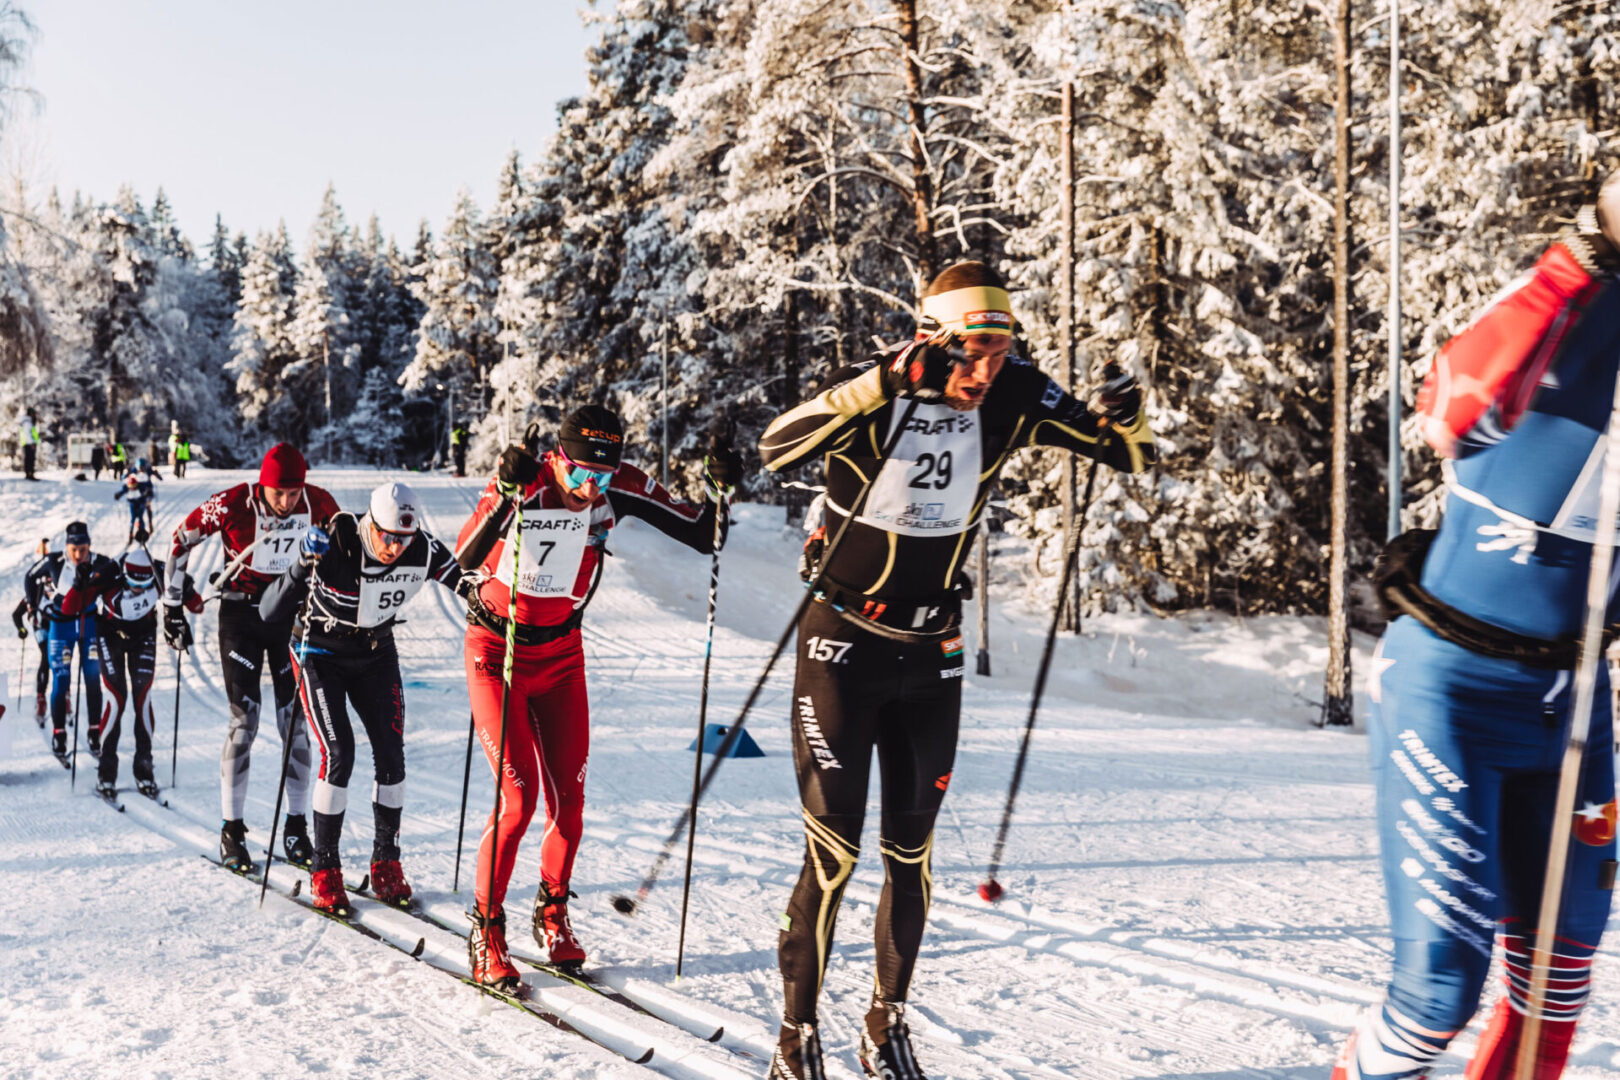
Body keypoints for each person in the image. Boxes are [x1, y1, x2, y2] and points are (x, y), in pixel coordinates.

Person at [756, 260, 1156, 1080]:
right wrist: (883, 383)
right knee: (834, 856)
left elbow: (1126, 454)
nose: (985, 374)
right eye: (971, 354)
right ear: (933, 340)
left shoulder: (1014, 393)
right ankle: (795, 1037)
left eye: (1000, 354)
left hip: (931, 655)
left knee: (912, 855)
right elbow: (775, 446)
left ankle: (885, 1025)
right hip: (842, 648)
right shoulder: (878, 390)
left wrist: (1126, 413)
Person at [1332, 177, 1620, 1080]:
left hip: (1575, 702)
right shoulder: (1578, 299)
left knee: (1557, 987)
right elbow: (1448, 411)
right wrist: (1580, 260)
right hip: (1452, 690)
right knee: (1436, 998)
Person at [454, 405, 739, 987]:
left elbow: (702, 535)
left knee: (570, 803)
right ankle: (486, 929)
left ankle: (552, 912)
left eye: (602, 476)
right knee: (518, 801)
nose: (591, 488)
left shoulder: (619, 487)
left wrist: (720, 489)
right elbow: (464, 558)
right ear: (558, 458)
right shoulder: (529, 479)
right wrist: (505, 494)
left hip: (561, 656)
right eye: (581, 473)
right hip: (497, 650)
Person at [259, 481, 474, 914]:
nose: (395, 548)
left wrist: (488, 603)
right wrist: (301, 564)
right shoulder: (338, 541)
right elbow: (268, 610)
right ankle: (325, 867)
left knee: (392, 755)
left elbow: (466, 582)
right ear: (369, 525)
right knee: (340, 752)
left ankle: (386, 862)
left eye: (403, 539)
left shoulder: (420, 548)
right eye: (387, 537)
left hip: (375, 653)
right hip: (320, 653)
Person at [163, 443, 339, 873]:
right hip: (241, 616)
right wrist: (173, 603)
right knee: (245, 722)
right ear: (262, 486)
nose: (287, 502)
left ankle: (295, 827)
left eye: (294, 493)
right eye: (279, 493)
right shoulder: (233, 503)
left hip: (290, 616)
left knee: (295, 723)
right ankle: (232, 830)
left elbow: (348, 549)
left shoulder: (318, 503)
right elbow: (180, 540)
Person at [61, 545, 193, 799]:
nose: (138, 589)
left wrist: (186, 588)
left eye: (144, 584)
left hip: (143, 637)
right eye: (133, 583)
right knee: (116, 699)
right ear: (124, 575)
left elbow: (195, 605)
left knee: (142, 698)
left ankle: (144, 768)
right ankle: (106, 772)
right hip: (110, 636)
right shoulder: (109, 574)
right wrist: (79, 585)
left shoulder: (160, 572)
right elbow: (69, 608)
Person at [39, 521, 113, 765]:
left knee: (92, 677)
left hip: (88, 624)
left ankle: (94, 732)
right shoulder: (55, 561)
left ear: (89, 545)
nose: (79, 555)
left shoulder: (100, 562)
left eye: (83, 549)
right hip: (61, 626)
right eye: (74, 550)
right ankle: (59, 735)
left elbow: (115, 582)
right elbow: (30, 578)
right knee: (61, 679)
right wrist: (37, 606)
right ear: (67, 547)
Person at [12, 537, 57, 726]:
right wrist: (22, 629)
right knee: (47, 657)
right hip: (40, 627)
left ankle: (64, 696)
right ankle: (41, 698)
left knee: (60, 658)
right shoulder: (33, 590)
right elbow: (17, 614)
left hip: (56, 625)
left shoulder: (57, 585)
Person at [114, 462, 157, 543]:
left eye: (134, 486)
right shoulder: (127, 486)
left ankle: (142, 533)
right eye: (131, 487)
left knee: (140, 518)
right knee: (133, 518)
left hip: (141, 503)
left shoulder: (141, 486)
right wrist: (118, 495)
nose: (132, 488)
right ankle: (130, 534)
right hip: (132, 503)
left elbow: (148, 490)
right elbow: (122, 491)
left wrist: (148, 493)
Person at [19, 408, 39, 480]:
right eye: (33, 413)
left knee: (28, 459)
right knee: (30, 459)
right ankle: (30, 474)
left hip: (28, 443)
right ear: (31, 414)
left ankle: (29, 474)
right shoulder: (27, 423)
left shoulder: (27, 422)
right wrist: (32, 443)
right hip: (29, 444)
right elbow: (27, 434)